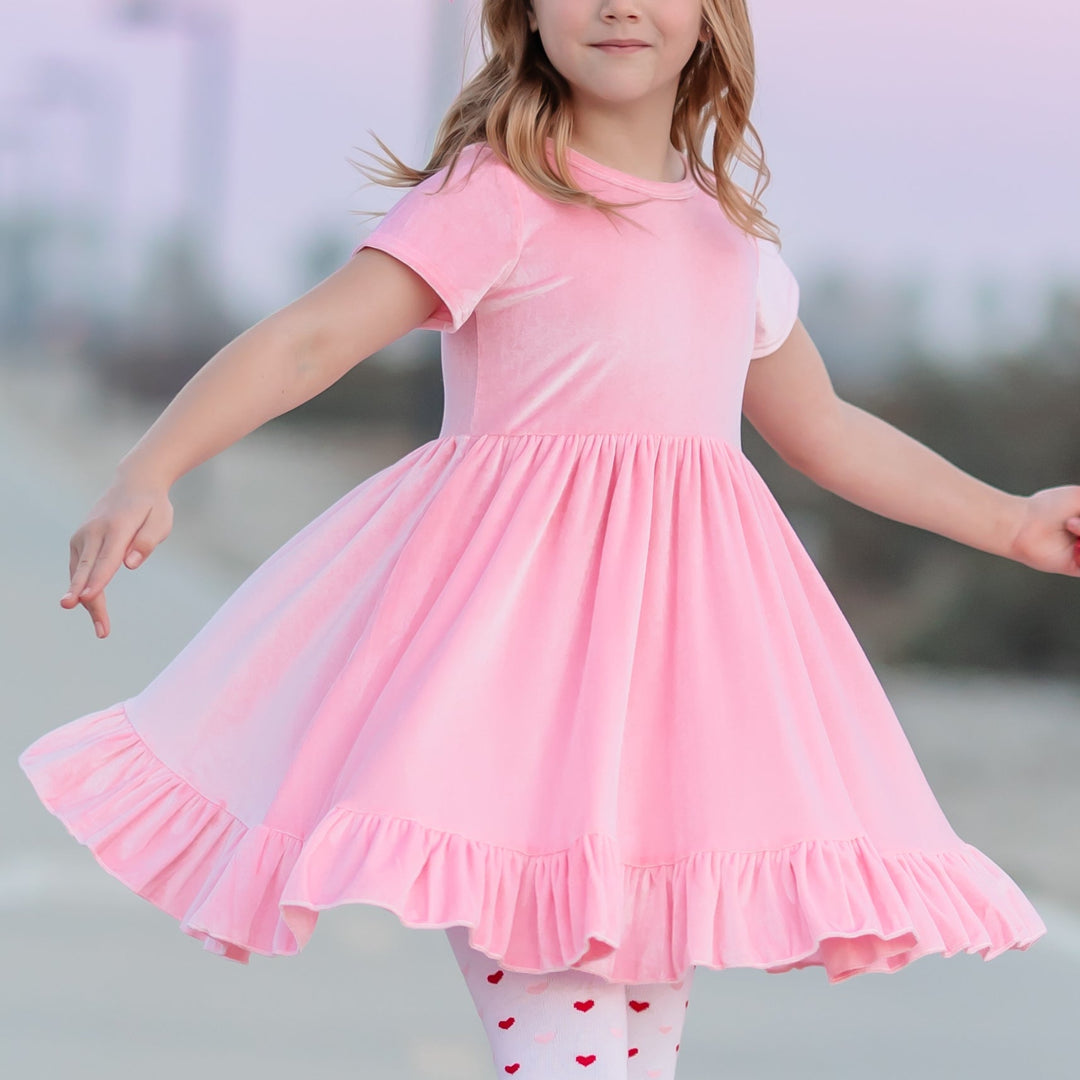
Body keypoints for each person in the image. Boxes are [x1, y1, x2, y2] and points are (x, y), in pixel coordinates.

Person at [18, 1, 1080, 1077]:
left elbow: (828, 432)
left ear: (711, 20)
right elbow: (311, 341)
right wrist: (148, 466)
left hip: (664, 708)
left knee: (629, 1060)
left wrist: (1012, 520)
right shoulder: (496, 192)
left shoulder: (728, 239)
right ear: (526, 17)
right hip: (507, 696)